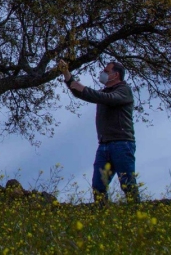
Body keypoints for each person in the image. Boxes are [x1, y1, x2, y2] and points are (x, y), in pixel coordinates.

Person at [57, 60, 139, 204]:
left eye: (107, 72)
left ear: (116, 75)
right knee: (98, 185)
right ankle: (102, 215)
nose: (103, 74)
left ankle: (137, 213)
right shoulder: (103, 93)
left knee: (127, 183)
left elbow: (108, 99)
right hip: (104, 145)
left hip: (122, 143)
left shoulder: (124, 90)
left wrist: (85, 89)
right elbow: (82, 93)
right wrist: (66, 73)